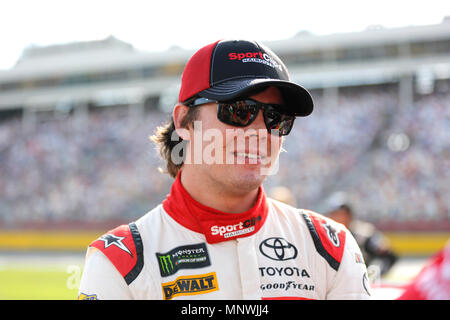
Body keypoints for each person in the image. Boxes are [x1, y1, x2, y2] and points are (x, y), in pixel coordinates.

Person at [78, 39, 371, 300]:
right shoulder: (121, 262)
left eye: (276, 117)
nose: (260, 131)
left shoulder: (330, 247)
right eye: (238, 110)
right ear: (183, 122)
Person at [328, 204, 398, 276]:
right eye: (332, 214)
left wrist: (373, 275)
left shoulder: (362, 234)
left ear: (348, 215)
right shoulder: (326, 234)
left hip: (359, 281)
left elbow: (389, 255)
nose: (333, 217)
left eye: (338, 214)